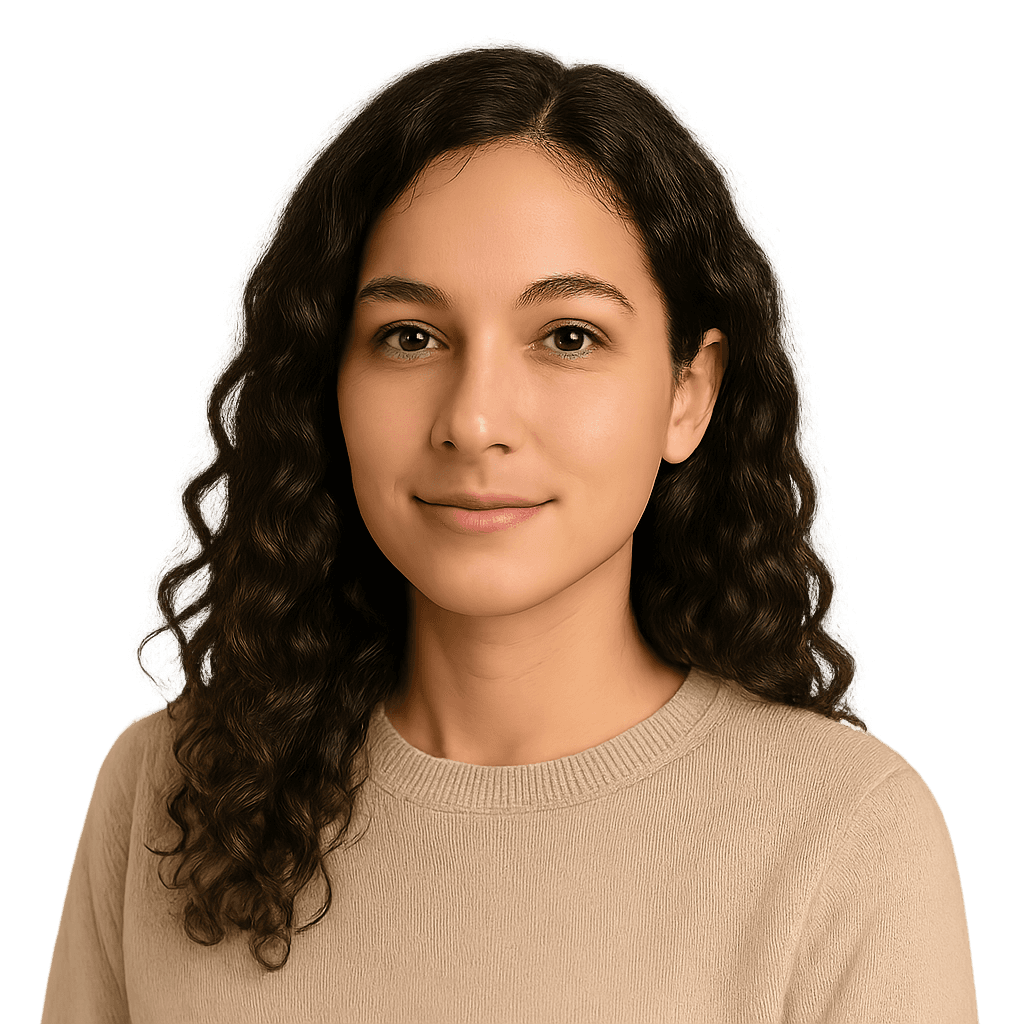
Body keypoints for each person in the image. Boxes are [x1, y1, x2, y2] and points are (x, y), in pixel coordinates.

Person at [41, 37, 979, 1023]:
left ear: (687, 394)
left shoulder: (844, 837)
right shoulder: (167, 792)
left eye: (567, 336)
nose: (474, 418)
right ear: (329, 386)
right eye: (410, 336)